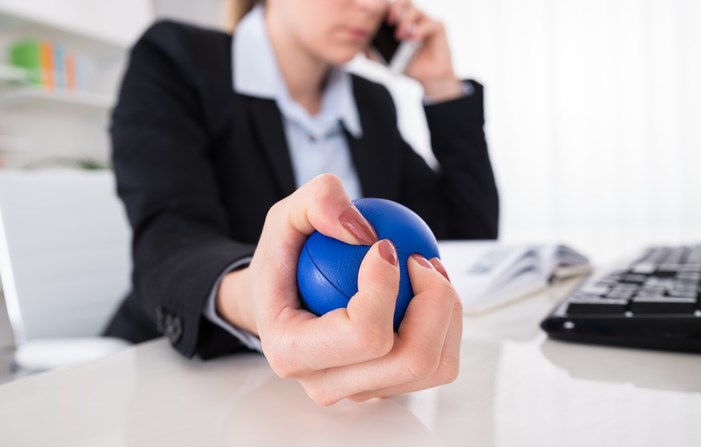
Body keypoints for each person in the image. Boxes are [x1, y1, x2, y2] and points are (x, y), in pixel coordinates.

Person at [105, 0, 499, 405]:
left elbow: (465, 241)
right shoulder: (177, 58)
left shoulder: (371, 102)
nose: (370, 6)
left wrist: (442, 87)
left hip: (348, 404)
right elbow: (168, 242)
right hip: (183, 377)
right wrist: (258, 301)